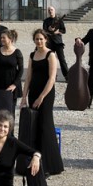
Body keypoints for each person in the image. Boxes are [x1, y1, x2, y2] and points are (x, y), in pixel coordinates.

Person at [21, 29, 65, 175]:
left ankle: (49, 165)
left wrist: (41, 97)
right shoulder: (32, 55)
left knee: (45, 126)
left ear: (45, 39)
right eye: (36, 39)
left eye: (41, 39)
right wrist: (24, 96)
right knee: (34, 126)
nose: (39, 41)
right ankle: (33, 162)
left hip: (46, 94)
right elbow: (28, 77)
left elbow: (52, 78)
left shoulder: (50, 55)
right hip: (33, 92)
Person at [0, 29, 23, 115]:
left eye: (4, 38)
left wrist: (14, 84)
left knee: (10, 111)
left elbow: (21, 70)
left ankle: (10, 129)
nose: (2, 40)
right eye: (1, 38)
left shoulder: (17, 52)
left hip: (11, 86)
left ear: (10, 39)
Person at [43, 5, 68, 78]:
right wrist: (49, 30)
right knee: (50, 60)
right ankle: (52, 75)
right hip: (49, 43)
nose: (50, 11)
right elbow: (44, 32)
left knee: (62, 59)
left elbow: (64, 30)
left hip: (58, 42)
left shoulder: (59, 20)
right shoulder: (46, 21)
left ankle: (67, 76)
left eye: (52, 10)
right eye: (49, 10)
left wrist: (58, 31)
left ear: (54, 10)